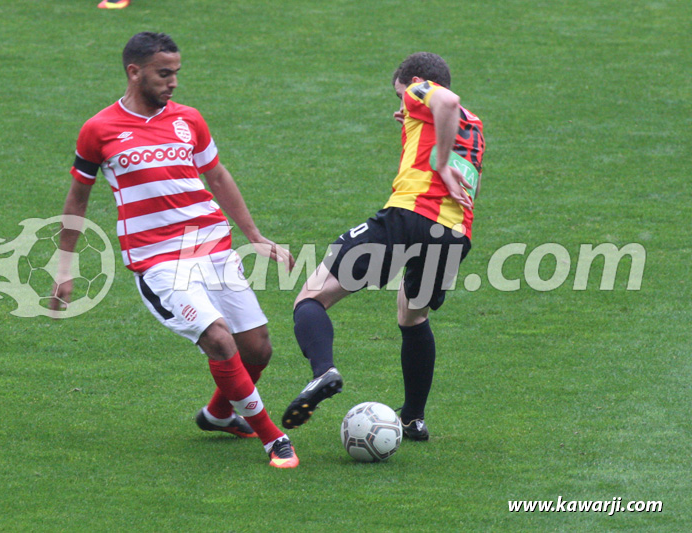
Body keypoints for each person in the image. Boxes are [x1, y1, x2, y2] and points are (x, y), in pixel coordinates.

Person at [53, 32, 299, 468]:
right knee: (219, 340)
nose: (173, 83)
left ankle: (219, 415)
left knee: (258, 349)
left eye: (177, 74)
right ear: (135, 72)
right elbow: (78, 198)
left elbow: (217, 176)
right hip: (158, 261)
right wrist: (64, 267)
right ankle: (272, 438)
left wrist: (255, 235)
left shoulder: (189, 119)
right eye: (164, 74)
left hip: (214, 248)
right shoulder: (99, 130)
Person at [282, 52, 485, 441]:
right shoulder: (475, 125)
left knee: (311, 296)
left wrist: (440, 162)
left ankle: (323, 370)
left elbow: (445, 101)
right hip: (453, 236)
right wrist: (413, 123)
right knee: (412, 316)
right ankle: (413, 418)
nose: (404, 102)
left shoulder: (422, 92)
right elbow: (444, 119)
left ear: (414, 82)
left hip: (409, 217)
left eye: (402, 96)